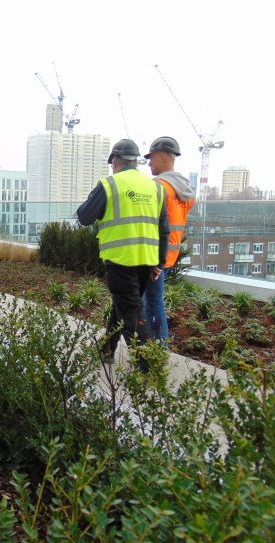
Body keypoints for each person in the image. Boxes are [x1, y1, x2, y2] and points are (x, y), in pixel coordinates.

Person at [77, 139, 169, 370]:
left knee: (132, 313)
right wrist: (160, 262)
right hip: (147, 262)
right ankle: (107, 349)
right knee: (124, 305)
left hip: (121, 261)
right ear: (136, 162)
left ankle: (148, 366)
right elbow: (163, 228)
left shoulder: (110, 185)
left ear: (114, 163)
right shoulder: (155, 187)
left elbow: (84, 217)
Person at [142, 137, 196, 345]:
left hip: (153, 254)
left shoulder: (159, 187)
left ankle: (158, 349)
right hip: (170, 253)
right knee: (154, 300)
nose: (149, 163)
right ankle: (155, 347)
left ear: (164, 156)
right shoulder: (185, 190)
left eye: (152, 158)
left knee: (152, 302)